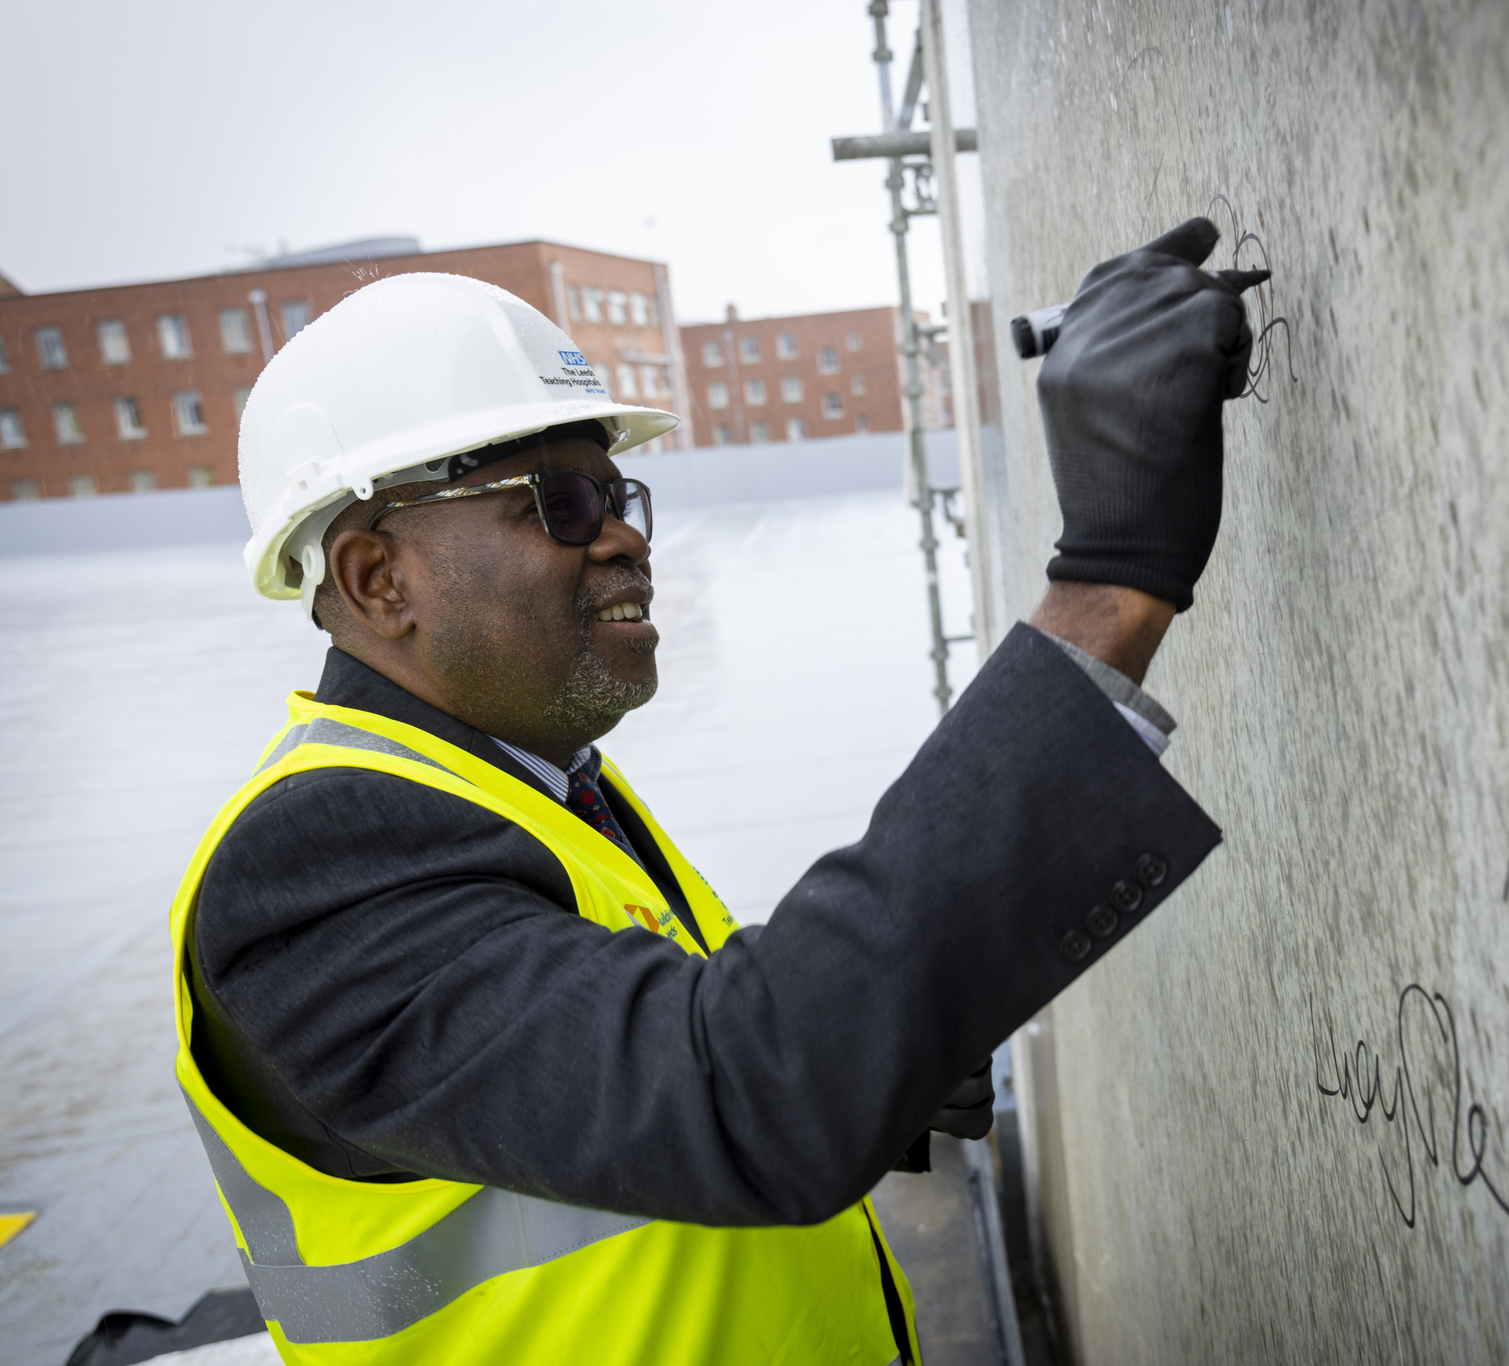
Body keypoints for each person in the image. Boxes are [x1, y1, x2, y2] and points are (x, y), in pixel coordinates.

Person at [171, 219, 1266, 1365]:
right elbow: (744, 1087)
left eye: (620, 495)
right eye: (557, 501)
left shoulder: (536, 789)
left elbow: (654, 1062)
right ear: (375, 576)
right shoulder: (315, 863)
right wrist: (1111, 575)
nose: (625, 543)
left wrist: (870, 1040)